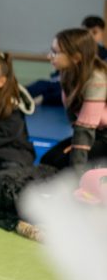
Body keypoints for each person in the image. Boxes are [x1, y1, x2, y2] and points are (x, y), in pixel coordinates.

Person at [40, 28, 107, 173]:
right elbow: (74, 116)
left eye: (55, 52)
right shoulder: (67, 73)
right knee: (48, 160)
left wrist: (76, 175)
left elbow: (84, 130)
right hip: (96, 134)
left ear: (76, 57)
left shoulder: (96, 80)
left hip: (103, 135)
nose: (49, 56)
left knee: (67, 168)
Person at [28, 15, 106, 106]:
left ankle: (43, 98)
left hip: (81, 88)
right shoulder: (66, 72)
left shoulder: (97, 79)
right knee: (41, 84)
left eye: (94, 32)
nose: (89, 36)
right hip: (63, 83)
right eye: (85, 31)